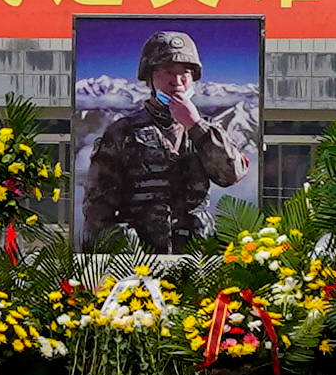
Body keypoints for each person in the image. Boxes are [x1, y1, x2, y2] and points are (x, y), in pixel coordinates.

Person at [83, 29, 243, 253]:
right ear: (150, 77)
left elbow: (231, 174)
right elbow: (98, 205)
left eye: (185, 73)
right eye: (168, 72)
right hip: (140, 261)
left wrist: (194, 125)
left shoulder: (208, 131)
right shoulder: (122, 132)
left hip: (195, 255)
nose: (177, 81)